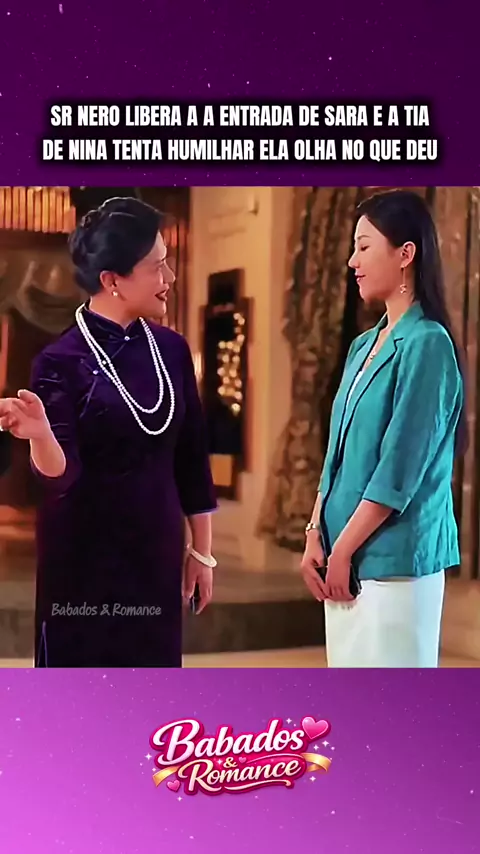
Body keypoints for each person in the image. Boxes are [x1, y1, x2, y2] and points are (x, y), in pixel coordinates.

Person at [0, 197, 217, 668]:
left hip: (155, 553)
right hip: (82, 561)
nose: (169, 277)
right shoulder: (59, 361)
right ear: (112, 280)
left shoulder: (172, 351)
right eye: (157, 267)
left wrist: (202, 552)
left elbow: (191, 458)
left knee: (151, 691)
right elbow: (60, 476)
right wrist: (40, 435)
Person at [300, 189, 467, 668]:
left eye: (364, 246)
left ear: (405, 254)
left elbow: (398, 471)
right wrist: (315, 533)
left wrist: (343, 550)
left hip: (395, 567)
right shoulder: (362, 346)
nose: (352, 261)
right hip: (342, 557)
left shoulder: (428, 344)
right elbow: (336, 455)